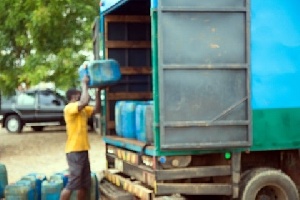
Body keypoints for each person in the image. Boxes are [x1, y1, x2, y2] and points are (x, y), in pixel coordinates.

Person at [60, 75, 101, 200]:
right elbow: (84, 101)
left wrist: (98, 93)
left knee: (84, 184)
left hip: (83, 149)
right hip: (74, 151)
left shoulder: (82, 110)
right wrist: (85, 84)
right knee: (73, 183)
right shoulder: (69, 108)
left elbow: (96, 110)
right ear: (74, 97)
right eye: (80, 94)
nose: (83, 95)